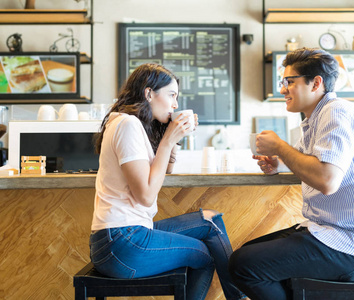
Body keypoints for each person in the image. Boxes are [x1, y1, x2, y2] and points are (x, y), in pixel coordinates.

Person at [228, 48, 354, 300]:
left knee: (243, 265)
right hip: (330, 231)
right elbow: (309, 163)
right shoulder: (314, 119)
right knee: (248, 253)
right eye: (282, 82)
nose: (282, 89)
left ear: (316, 82)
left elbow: (327, 180)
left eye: (289, 82)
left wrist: (280, 147)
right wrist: (278, 162)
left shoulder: (336, 112)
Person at [90, 63, 245, 300]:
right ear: (149, 93)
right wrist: (167, 140)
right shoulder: (127, 124)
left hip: (127, 235)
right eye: (171, 95)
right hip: (122, 242)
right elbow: (146, 195)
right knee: (205, 255)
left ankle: (239, 298)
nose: (175, 104)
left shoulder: (136, 125)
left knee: (210, 221)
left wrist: (171, 136)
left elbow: (167, 169)